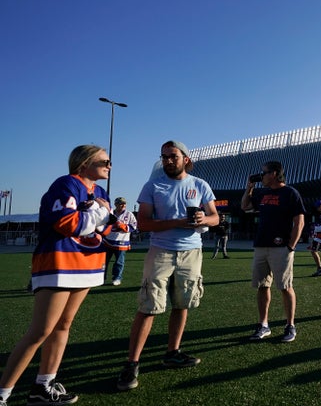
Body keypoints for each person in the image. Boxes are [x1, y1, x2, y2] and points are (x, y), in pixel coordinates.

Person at [0, 145, 114, 406]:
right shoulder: (66, 184)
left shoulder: (100, 193)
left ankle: (43, 386)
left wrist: (107, 221)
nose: (110, 165)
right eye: (104, 161)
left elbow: (107, 227)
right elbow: (65, 223)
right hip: (59, 263)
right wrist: (98, 218)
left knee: (64, 325)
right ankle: (2, 395)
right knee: (40, 331)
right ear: (85, 162)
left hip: (87, 263)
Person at [116, 140, 219, 391]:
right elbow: (143, 223)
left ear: (185, 158)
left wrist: (203, 218)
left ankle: (173, 351)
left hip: (191, 252)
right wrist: (178, 222)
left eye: (172, 156)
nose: (168, 161)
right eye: (164, 157)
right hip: (160, 251)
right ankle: (132, 363)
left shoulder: (200, 185)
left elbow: (215, 217)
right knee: (149, 306)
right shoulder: (153, 185)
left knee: (182, 303)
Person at [241, 161, 305, 342]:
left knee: (285, 287)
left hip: (281, 247)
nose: (261, 176)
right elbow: (244, 206)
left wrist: (291, 246)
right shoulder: (261, 193)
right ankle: (263, 325)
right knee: (262, 286)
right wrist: (249, 188)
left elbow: (299, 222)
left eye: (264, 173)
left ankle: (290, 325)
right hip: (261, 245)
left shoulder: (290, 193)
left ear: (275, 174)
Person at [104, 197, 138, 285]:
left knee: (119, 262)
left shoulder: (129, 214)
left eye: (124, 203)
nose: (123, 205)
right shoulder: (110, 213)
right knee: (104, 261)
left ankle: (117, 278)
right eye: (120, 203)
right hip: (108, 240)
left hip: (121, 242)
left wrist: (124, 226)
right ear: (116, 205)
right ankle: (102, 278)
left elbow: (134, 226)